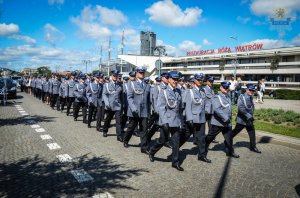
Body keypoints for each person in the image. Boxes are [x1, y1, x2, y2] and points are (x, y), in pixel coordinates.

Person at [149, 71, 184, 171]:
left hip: (176, 121)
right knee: (162, 140)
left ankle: (175, 162)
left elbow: (179, 109)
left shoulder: (178, 91)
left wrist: (181, 122)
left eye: (177, 79)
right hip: (167, 121)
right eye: (174, 79)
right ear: (169, 79)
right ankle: (152, 151)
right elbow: (161, 107)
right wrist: (164, 122)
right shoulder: (163, 91)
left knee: (176, 142)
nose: (175, 81)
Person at [205, 81, 239, 158]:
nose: (226, 89)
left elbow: (228, 108)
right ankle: (203, 145)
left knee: (229, 138)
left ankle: (230, 152)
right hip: (218, 122)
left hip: (227, 123)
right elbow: (217, 109)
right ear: (221, 88)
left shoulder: (227, 96)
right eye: (225, 87)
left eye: (227, 88)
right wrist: (225, 118)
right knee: (210, 136)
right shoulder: (216, 97)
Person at [184, 73, 211, 163]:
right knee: (185, 136)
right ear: (194, 80)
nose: (200, 81)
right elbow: (188, 106)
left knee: (202, 137)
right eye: (198, 80)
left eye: (201, 80)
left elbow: (206, 102)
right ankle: (175, 150)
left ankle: (202, 155)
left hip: (201, 118)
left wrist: (207, 111)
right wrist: (189, 119)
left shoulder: (202, 91)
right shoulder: (190, 91)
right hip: (192, 118)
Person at [123, 66, 151, 154]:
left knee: (144, 129)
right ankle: (126, 140)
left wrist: (149, 111)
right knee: (131, 128)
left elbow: (148, 99)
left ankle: (144, 147)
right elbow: (129, 97)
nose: (141, 74)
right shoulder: (131, 84)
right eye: (140, 73)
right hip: (134, 111)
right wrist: (133, 108)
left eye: (143, 73)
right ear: (137, 73)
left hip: (144, 111)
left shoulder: (147, 85)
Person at [232, 84, 261, 153]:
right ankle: (227, 140)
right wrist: (249, 116)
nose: (252, 92)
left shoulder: (250, 97)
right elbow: (241, 108)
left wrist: (250, 116)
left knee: (252, 133)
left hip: (249, 121)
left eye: (253, 91)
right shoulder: (242, 97)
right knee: (235, 132)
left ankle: (253, 147)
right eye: (250, 90)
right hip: (242, 120)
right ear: (247, 90)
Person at [102, 70, 123, 141]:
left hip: (118, 106)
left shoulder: (120, 85)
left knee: (119, 121)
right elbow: (104, 94)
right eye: (114, 75)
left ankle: (119, 135)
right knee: (108, 119)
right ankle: (105, 130)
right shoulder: (107, 85)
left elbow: (121, 96)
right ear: (111, 76)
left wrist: (122, 105)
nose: (115, 77)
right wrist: (107, 103)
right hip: (110, 106)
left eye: (116, 76)